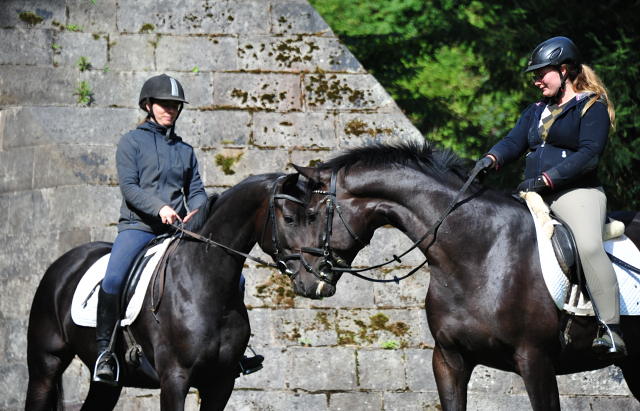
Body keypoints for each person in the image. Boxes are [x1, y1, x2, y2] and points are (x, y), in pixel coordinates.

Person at [94, 74, 262, 385]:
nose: (169, 110)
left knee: (234, 277)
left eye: (174, 106)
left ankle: (235, 351)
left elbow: (195, 189)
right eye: (164, 104)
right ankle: (106, 352)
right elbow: (130, 187)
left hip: (177, 232)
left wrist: (198, 210)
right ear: (148, 105)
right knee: (115, 277)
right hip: (139, 228)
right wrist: (159, 207)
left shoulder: (184, 150)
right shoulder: (131, 142)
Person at [474, 37, 625, 358]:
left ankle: (611, 329)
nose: (536, 80)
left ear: (565, 70)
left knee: (587, 245)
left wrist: (547, 179)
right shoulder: (536, 111)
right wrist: (490, 159)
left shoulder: (591, 104)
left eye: (543, 73)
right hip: (533, 192)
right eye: (535, 74)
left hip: (576, 192)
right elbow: (514, 142)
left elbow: (589, 154)